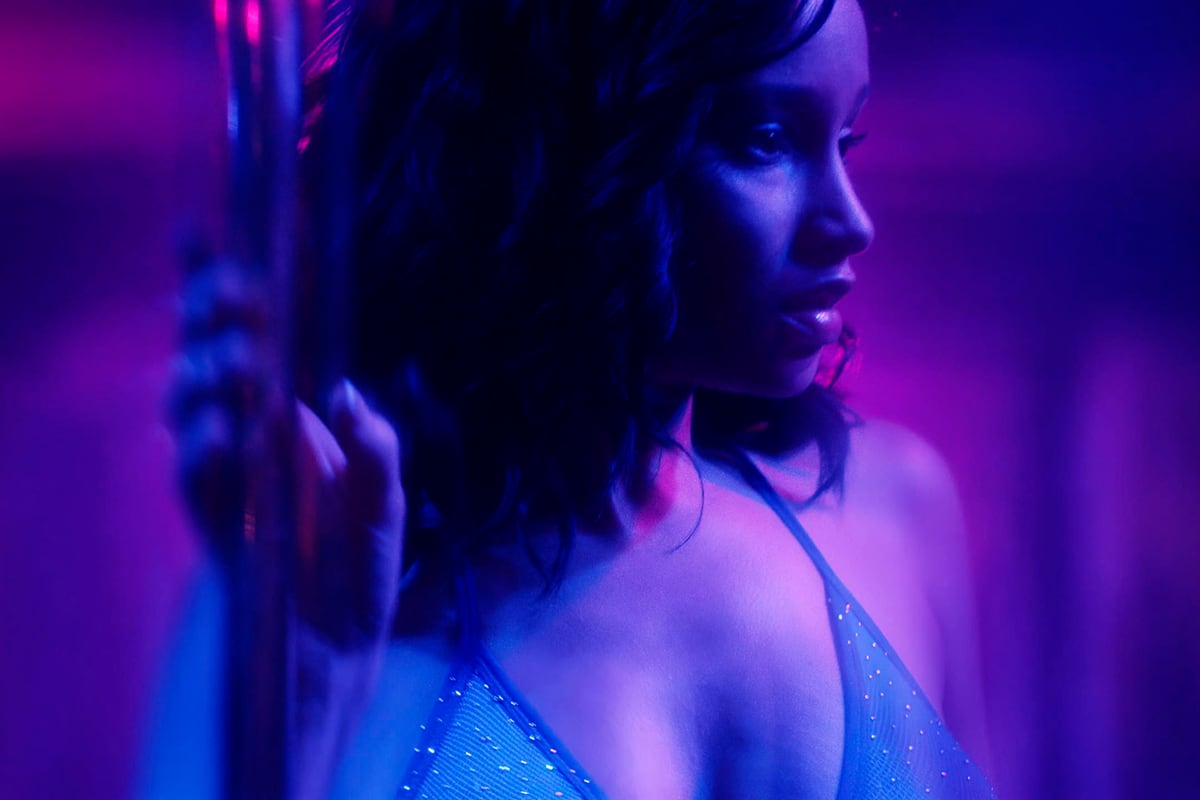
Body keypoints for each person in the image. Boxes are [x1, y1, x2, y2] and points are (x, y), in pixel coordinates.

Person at [161, 0, 998, 797]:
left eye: (845, 140)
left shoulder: (896, 513)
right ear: (576, 145)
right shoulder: (324, 603)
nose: (851, 221)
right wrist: (315, 700)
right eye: (767, 139)